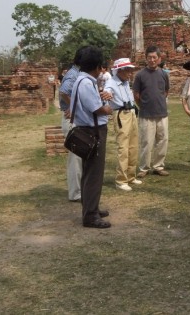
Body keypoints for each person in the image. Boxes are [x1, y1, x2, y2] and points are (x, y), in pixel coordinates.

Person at [70, 46, 113, 228]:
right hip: (92, 131)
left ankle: (91, 207)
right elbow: (97, 109)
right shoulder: (87, 83)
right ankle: (90, 215)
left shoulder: (81, 80)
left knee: (89, 172)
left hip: (87, 129)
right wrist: (107, 107)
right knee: (94, 173)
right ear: (96, 66)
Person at [105, 58, 143, 192]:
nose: (130, 73)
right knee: (123, 147)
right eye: (127, 70)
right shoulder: (111, 82)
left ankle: (131, 176)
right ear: (119, 71)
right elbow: (107, 91)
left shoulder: (126, 82)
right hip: (121, 114)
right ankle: (121, 180)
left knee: (133, 146)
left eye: (130, 70)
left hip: (131, 112)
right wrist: (107, 94)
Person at [133, 46, 170, 178]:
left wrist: (159, 102)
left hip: (162, 113)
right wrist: (143, 106)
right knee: (146, 142)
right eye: (149, 57)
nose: (152, 60)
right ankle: (144, 167)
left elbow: (165, 91)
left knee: (162, 140)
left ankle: (158, 166)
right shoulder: (140, 75)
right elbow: (136, 95)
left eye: (154, 57)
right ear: (146, 58)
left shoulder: (163, 74)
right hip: (146, 114)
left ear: (159, 59)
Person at [59, 46, 88, 202]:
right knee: (76, 158)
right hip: (71, 120)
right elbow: (64, 91)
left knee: (79, 157)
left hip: (75, 119)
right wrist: (73, 106)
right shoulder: (74, 74)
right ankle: (76, 193)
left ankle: (79, 190)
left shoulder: (77, 73)